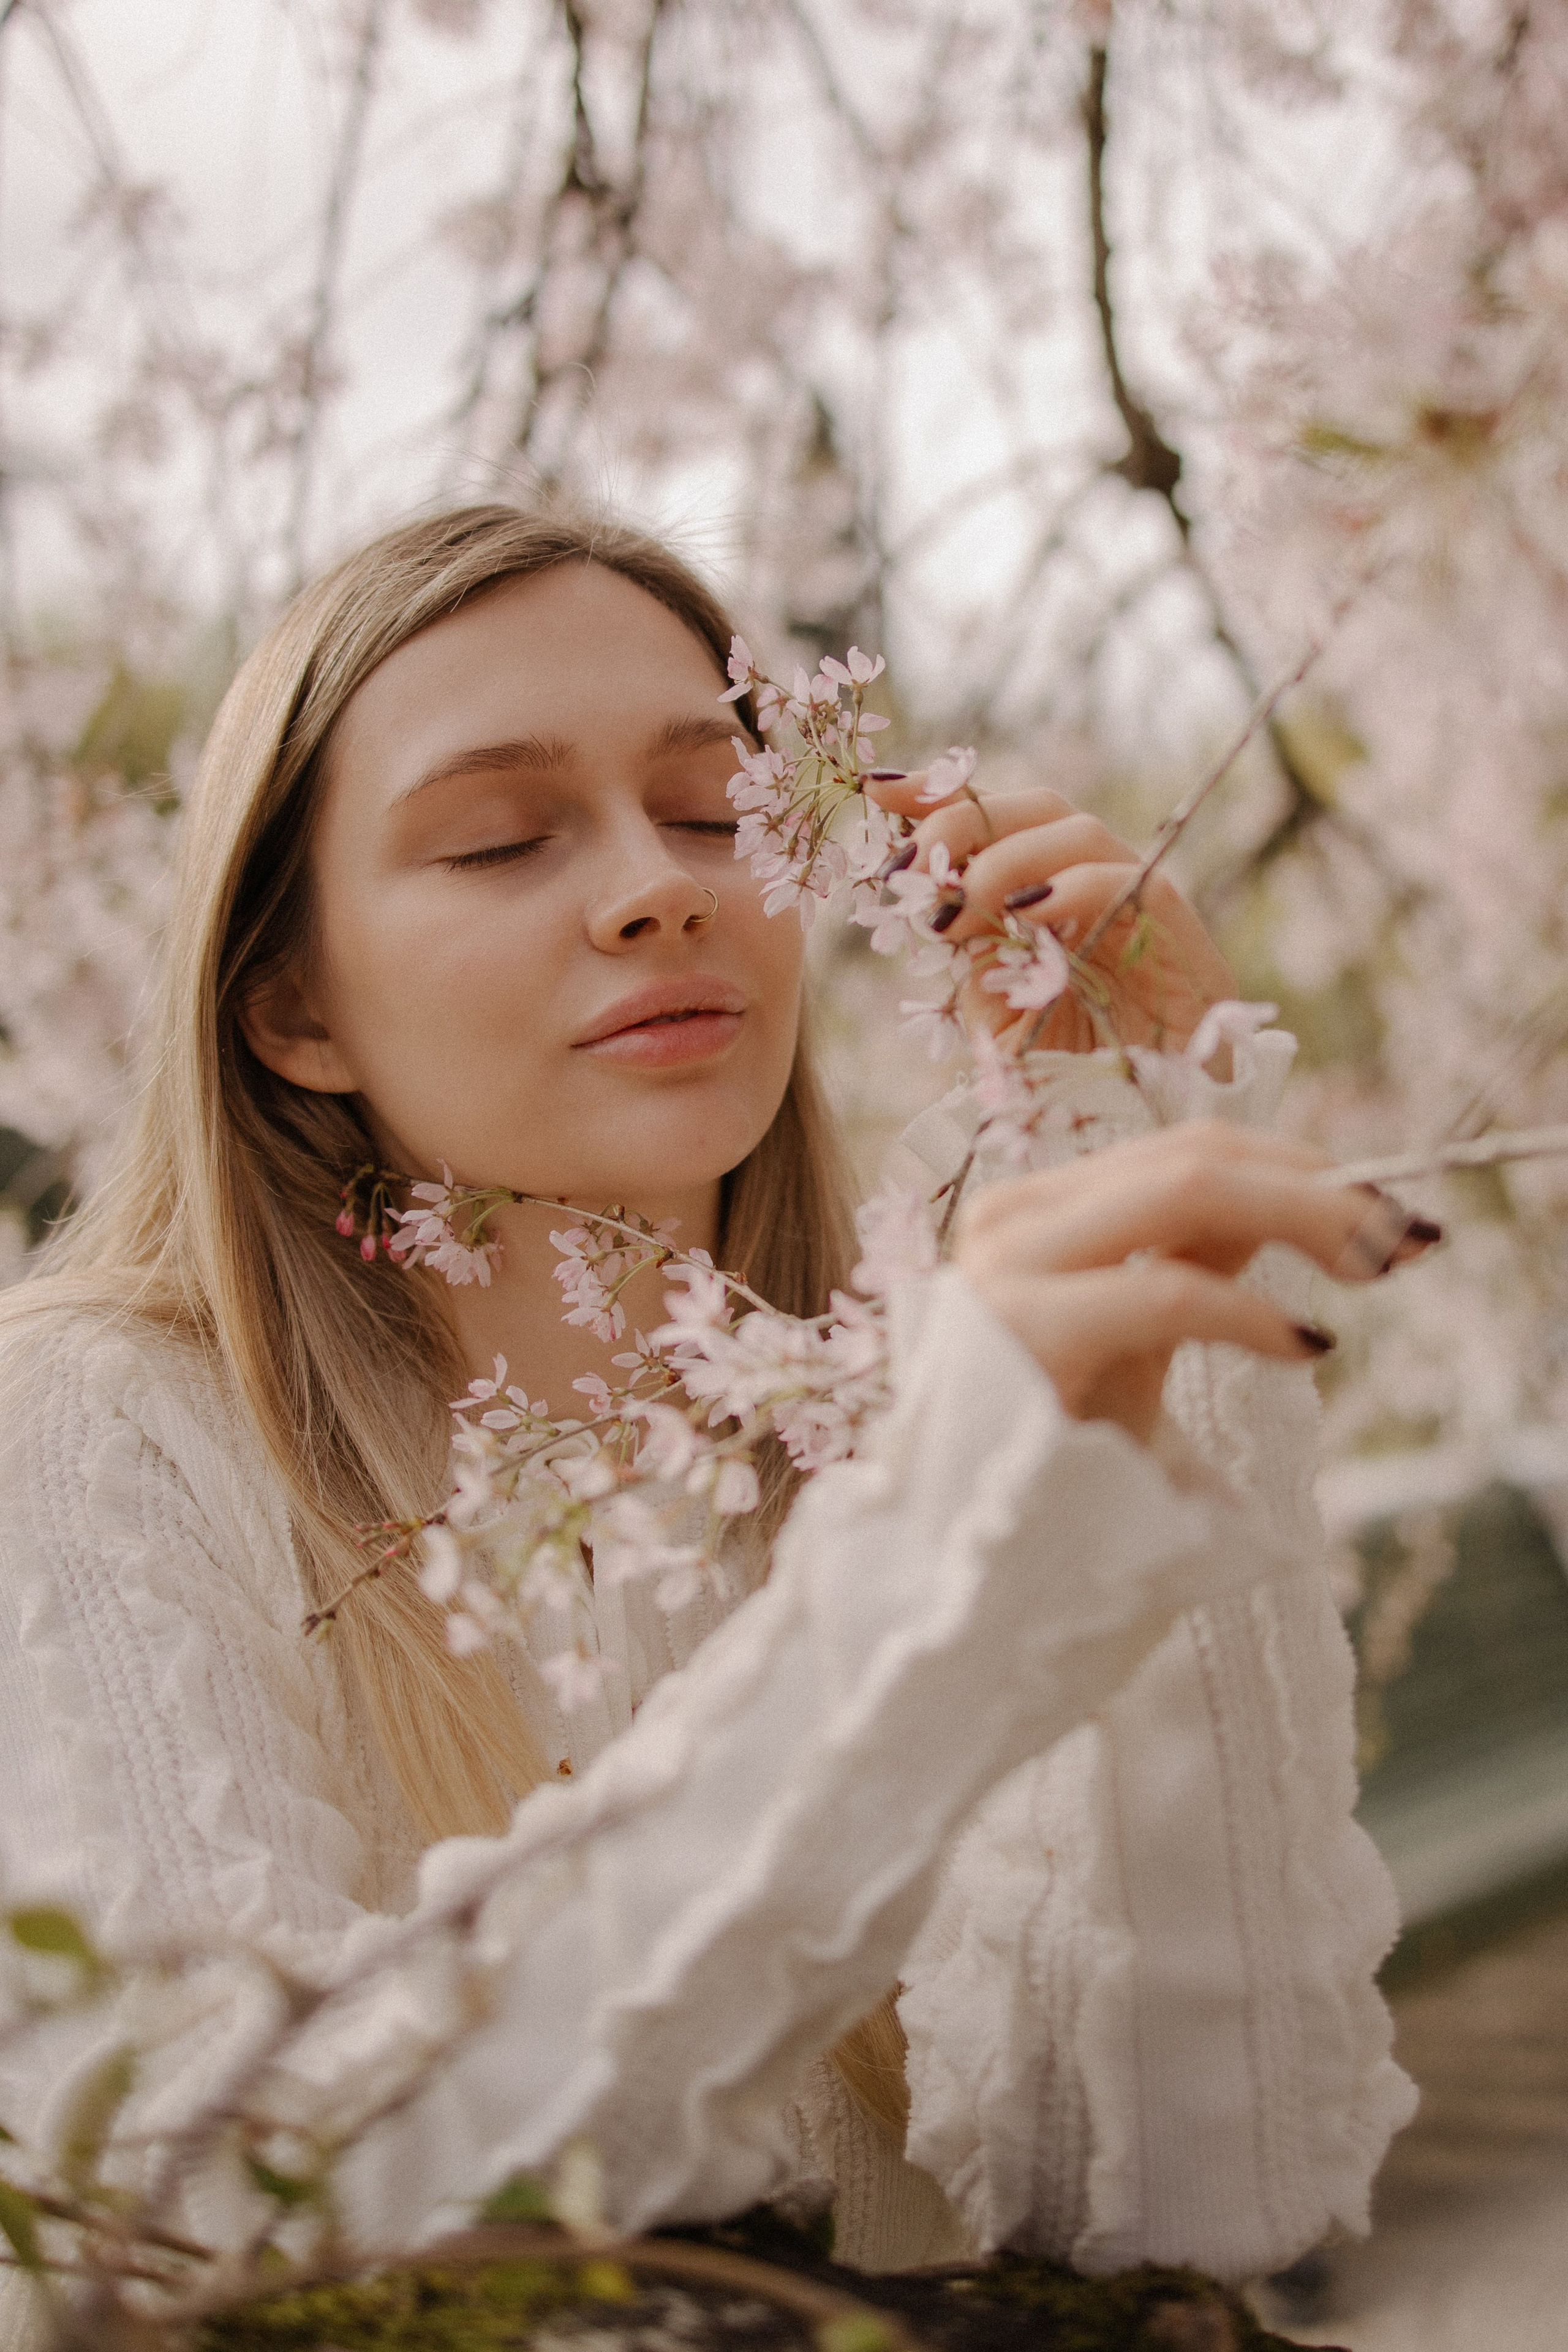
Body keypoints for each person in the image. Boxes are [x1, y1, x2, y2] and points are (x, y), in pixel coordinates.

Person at [0, 506, 1420, 2323]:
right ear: (292, 1010)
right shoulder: (100, 1428)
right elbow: (213, 2216)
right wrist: (923, 1603)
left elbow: (1206, 2190)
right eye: (502, 838)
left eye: (711, 812)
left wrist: (1158, 1234)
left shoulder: (889, 1409)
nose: (659, 888)